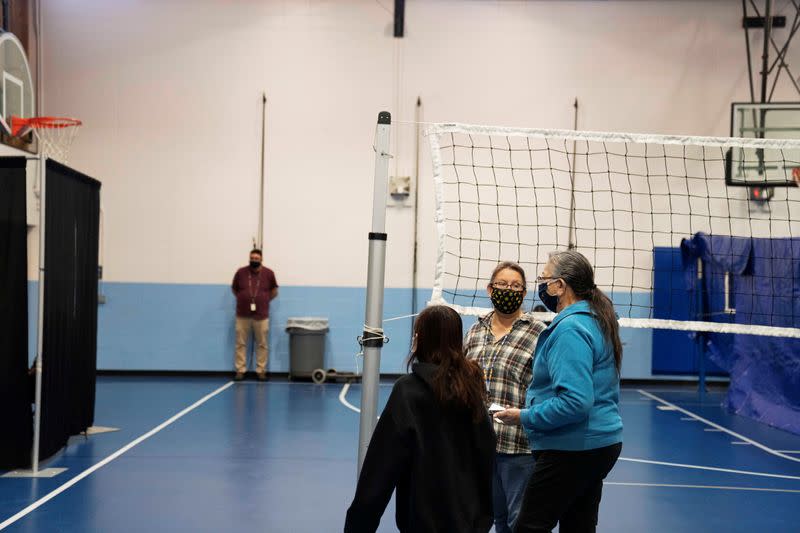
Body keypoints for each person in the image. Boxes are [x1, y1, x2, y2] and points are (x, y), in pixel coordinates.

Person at [494, 250, 623, 533]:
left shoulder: (571, 329)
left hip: (573, 448)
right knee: (578, 523)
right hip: (598, 445)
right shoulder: (595, 318)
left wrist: (524, 416)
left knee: (530, 526)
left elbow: (576, 402)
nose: (542, 285)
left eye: (544, 279)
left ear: (560, 286)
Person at [344, 305, 496, 533]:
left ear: (420, 338)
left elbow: (380, 469)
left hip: (422, 521)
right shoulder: (472, 387)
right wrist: (482, 517)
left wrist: (358, 525)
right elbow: (487, 450)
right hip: (469, 521)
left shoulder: (408, 391)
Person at [464, 261, 545, 533]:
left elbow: (545, 389)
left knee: (519, 521)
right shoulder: (475, 330)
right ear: (489, 289)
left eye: (516, 286)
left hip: (518, 447)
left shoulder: (539, 334)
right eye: (502, 284)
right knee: (491, 518)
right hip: (479, 444)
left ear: (523, 294)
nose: (508, 290)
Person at [231, 248, 278, 381]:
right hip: (242, 315)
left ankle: (261, 370)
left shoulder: (269, 273)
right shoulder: (240, 272)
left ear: (261, 259)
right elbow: (234, 289)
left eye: (256, 259)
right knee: (240, 343)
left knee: (262, 344)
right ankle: (240, 370)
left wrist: (264, 300)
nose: (254, 260)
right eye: (252, 258)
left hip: (261, 315)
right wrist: (243, 298)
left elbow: (274, 291)